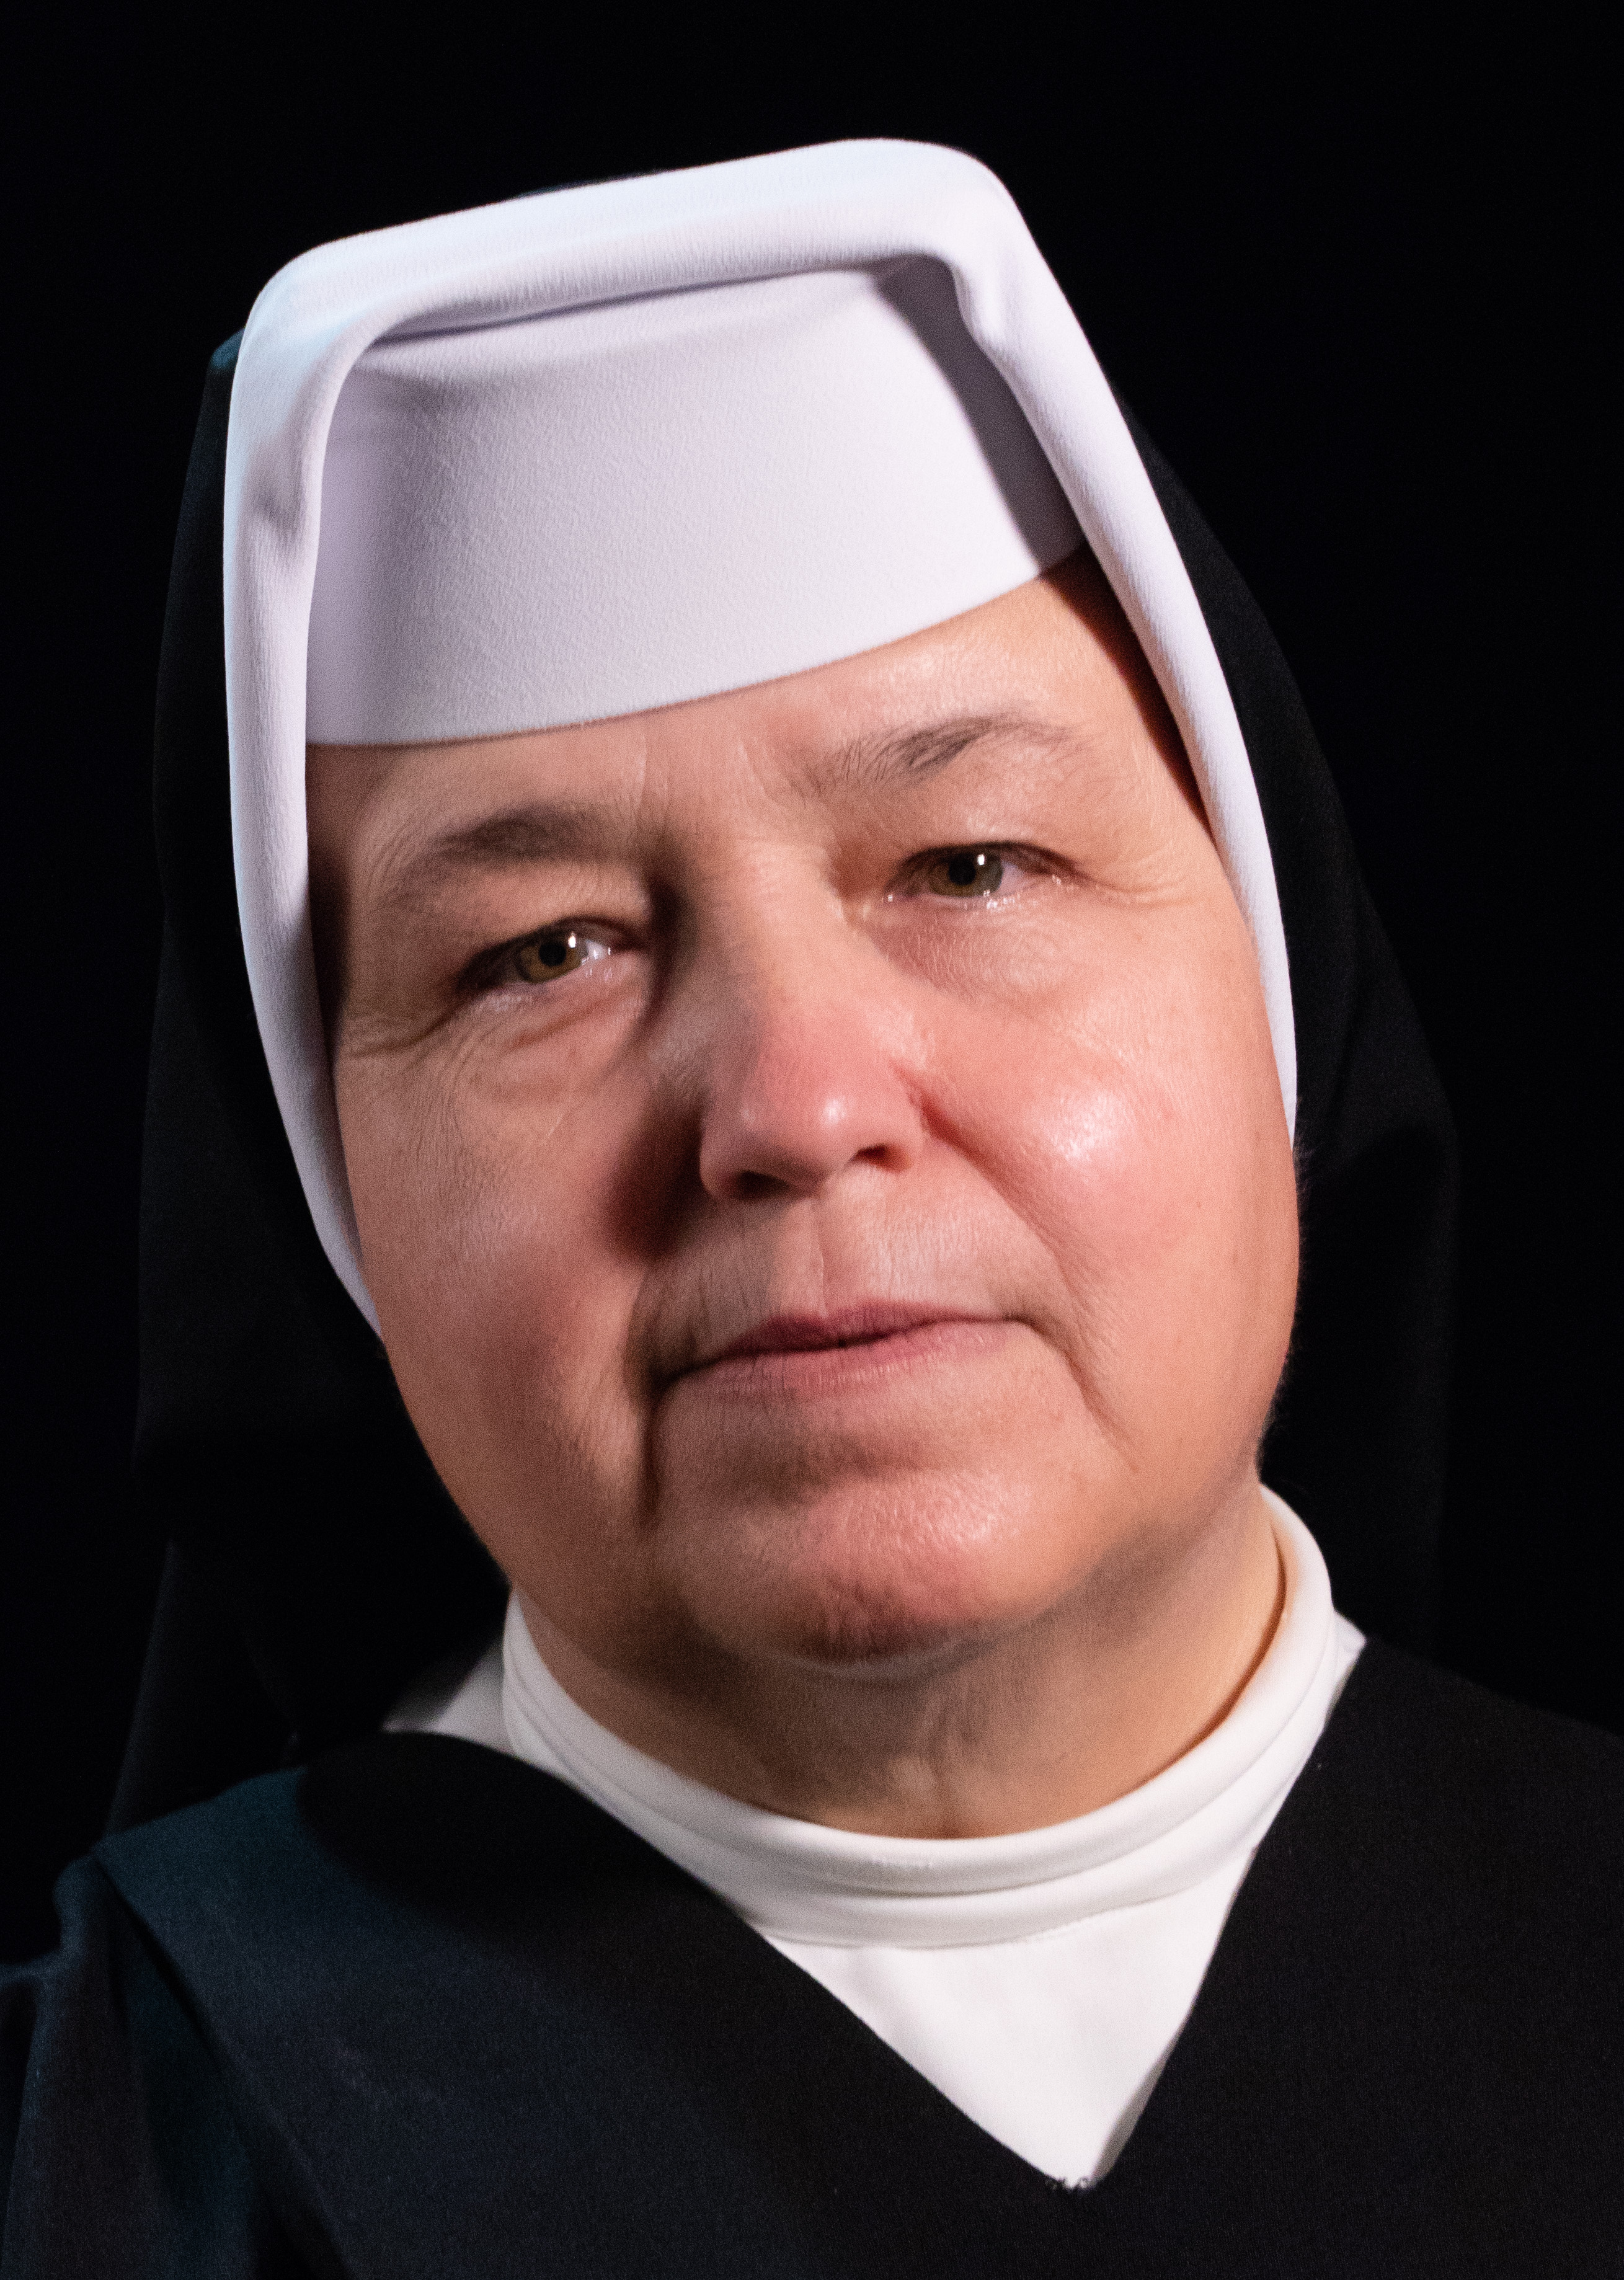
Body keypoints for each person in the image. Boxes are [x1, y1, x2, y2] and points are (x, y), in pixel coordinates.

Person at [2, 141, 1617, 2277]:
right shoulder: (99, 2159)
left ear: (1276, 995)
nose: (794, 1106)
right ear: (334, 1191)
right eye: (544, 953)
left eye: (969, 867)